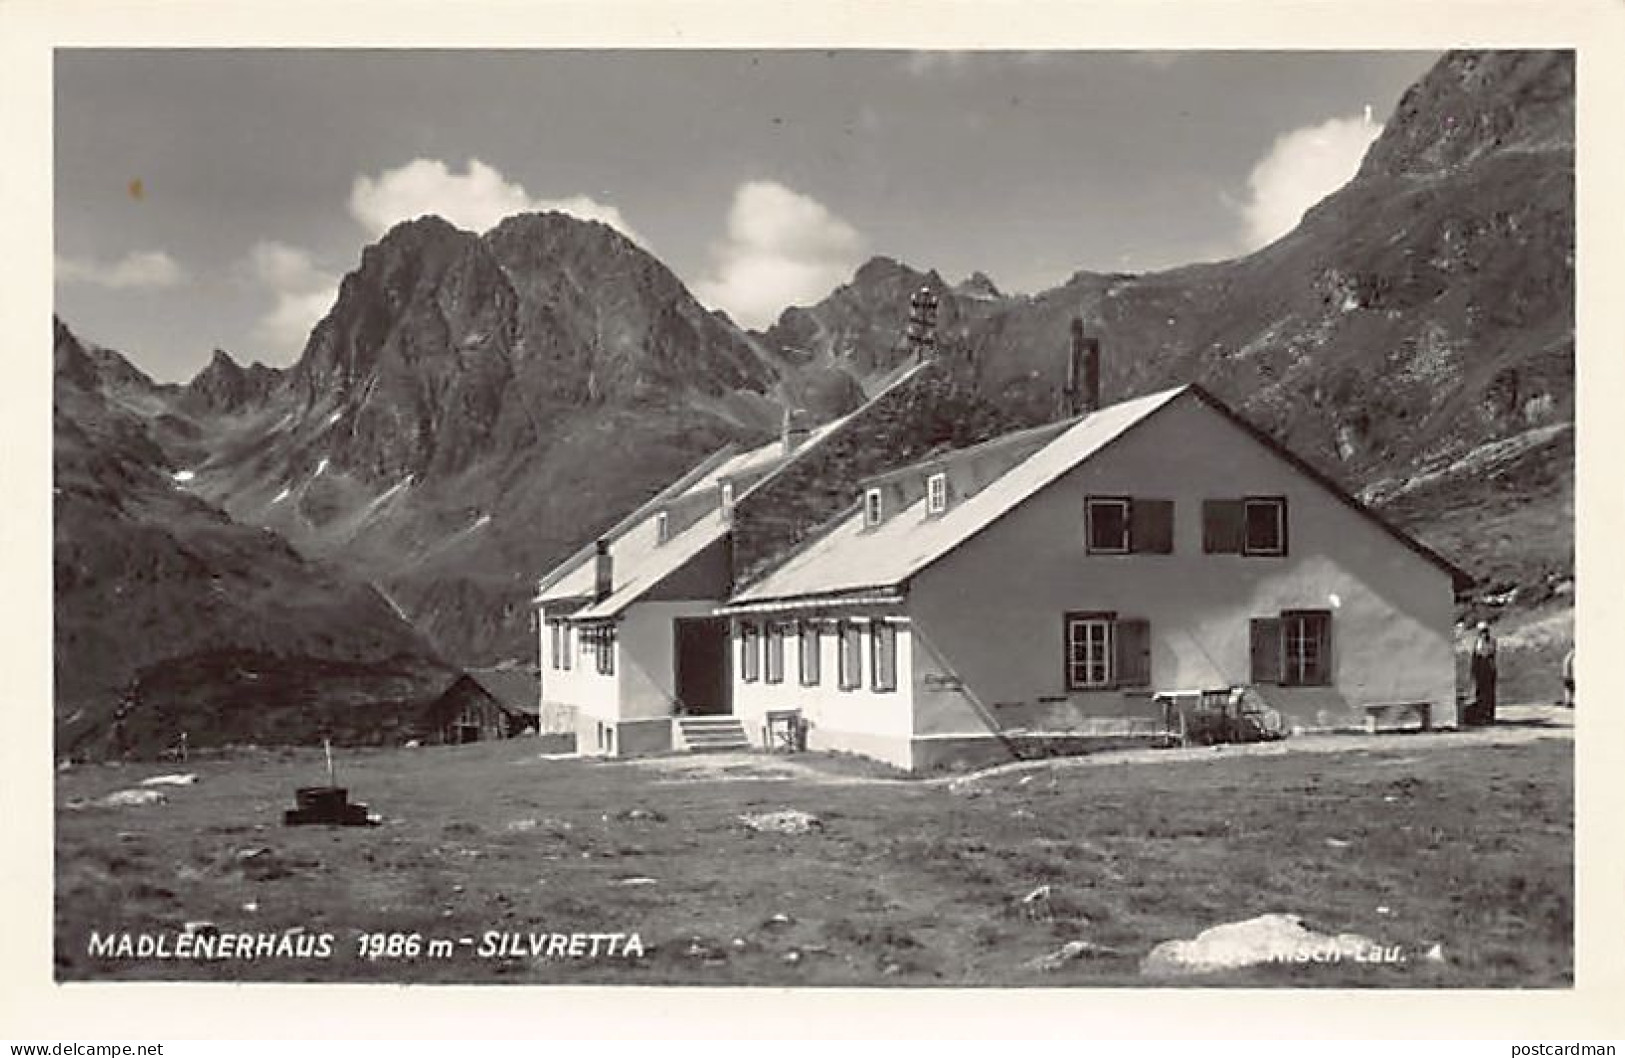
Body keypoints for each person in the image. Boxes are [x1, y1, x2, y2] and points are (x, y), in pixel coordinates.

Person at [1470, 621, 1498, 726]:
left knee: (1489, 693)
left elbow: (1489, 653)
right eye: (1481, 631)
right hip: (1480, 669)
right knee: (1480, 692)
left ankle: (1490, 715)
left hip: (1488, 670)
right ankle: (1480, 714)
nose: (1483, 633)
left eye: (1485, 631)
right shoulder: (1477, 642)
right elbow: (1476, 656)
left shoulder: (1491, 641)